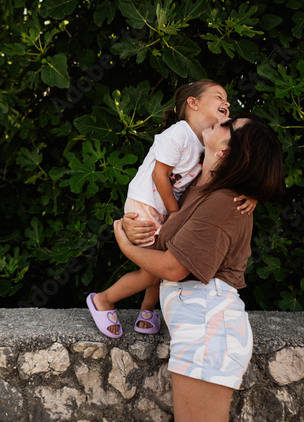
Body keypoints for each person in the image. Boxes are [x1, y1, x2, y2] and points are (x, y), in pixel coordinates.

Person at [114, 114, 284, 422]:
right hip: (202, 325)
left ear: (225, 151)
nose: (222, 117)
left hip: (208, 329)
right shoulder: (198, 189)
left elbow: (173, 267)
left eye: (229, 124)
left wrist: (125, 246)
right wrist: (132, 225)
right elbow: (165, 239)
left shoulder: (224, 202)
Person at [86, 80, 256, 337]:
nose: (227, 102)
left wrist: (252, 194)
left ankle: (147, 309)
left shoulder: (205, 144)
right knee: (153, 271)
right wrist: (174, 212)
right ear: (193, 103)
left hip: (164, 208)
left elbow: (232, 170)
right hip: (147, 204)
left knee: (160, 266)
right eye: (219, 96)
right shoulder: (179, 133)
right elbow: (159, 176)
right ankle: (103, 300)